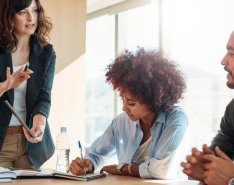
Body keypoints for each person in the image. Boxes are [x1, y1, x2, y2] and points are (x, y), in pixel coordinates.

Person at [69, 47, 188, 179]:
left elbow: (161, 170)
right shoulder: (121, 122)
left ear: (153, 100)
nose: (124, 108)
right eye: (123, 100)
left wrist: (122, 168)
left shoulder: (176, 119)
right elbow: (96, 154)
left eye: (131, 103)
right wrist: (87, 164)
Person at [0, 0, 56, 169]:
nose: (31, 18)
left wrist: (40, 123)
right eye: (23, 12)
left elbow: (44, 97)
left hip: (30, 147)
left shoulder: (46, 53)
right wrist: (5, 86)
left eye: (35, 10)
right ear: (8, 16)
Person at [181, 30, 234, 185]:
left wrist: (231, 179)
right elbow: (217, 158)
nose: (223, 61)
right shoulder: (232, 110)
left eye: (231, 53)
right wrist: (206, 170)